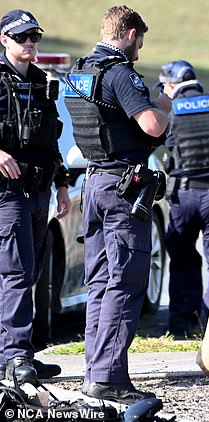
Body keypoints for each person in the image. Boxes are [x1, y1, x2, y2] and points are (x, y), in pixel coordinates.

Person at [64, 5, 171, 404]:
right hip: (123, 188)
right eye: (140, 39)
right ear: (128, 33)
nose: (140, 48)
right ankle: (109, 378)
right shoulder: (120, 73)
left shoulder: (79, 72)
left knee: (99, 284)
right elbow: (152, 126)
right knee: (125, 283)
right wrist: (165, 103)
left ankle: (95, 373)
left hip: (94, 183)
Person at [0, 9, 71, 384]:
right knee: (15, 272)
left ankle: (18, 353)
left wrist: (61, 183)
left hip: (39, 188)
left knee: (30, 272)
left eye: (35, 36)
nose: (30, 43)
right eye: (22, 37)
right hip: (6, 192)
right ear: (5, 41)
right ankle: (14, 357)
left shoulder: (43, 82)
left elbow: (52, 139)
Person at [158, 60, 209, 338]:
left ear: (170, 85)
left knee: (182, 259)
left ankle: (181, 325)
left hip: (184, 196)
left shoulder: (170, 112)